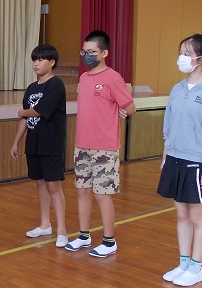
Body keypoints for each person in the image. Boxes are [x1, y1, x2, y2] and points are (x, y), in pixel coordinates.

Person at [157, 33, 202, 287]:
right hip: (175, 159)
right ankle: (184, 263)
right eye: (181, 53)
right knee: (181, 215)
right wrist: (166, 156)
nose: (182, 58)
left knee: (198, 218)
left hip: (196, 164)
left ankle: (197, 267)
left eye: (187, 53)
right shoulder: (178, 89)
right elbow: (169, 126)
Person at [65, 30, 135, 257]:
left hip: (104, 146)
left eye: (92, 52)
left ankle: (109, 240)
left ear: (104, 53)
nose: (87, 56)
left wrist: (124, 111)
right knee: (82, 191)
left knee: (102, 194)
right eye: (84, 51)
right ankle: (84, 235)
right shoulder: (84, 78)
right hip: (82, 144)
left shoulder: (112, 78)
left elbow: (129, 106)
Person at [11, 44, 68, 248]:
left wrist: (22, 112)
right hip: (33, 144)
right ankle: (45, 224)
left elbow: (37, 111)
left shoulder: (56, 85)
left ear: (52, 62)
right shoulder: (31, 88)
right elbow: (26, 118)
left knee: (53, 185)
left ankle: (62, 230)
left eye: (41, 59)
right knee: (40, 183)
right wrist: (16, 141)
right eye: (34, 59)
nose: (36, 63)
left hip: (51, 143)